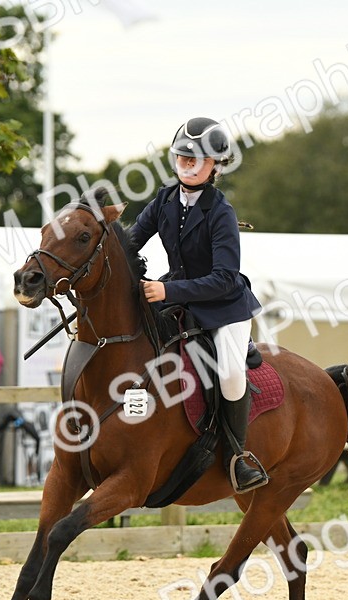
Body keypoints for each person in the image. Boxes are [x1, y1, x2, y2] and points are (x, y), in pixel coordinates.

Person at [127, 117, 268, 493]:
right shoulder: (163, 200)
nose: (186, 164)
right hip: (176, 296)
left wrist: (167, 292)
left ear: (215, 166)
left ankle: (238, 457)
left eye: (195, 159)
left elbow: (224, 277)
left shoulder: (221, 212)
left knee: (230, 373)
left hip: (225, 306)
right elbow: (130, 242)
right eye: (181, 157)